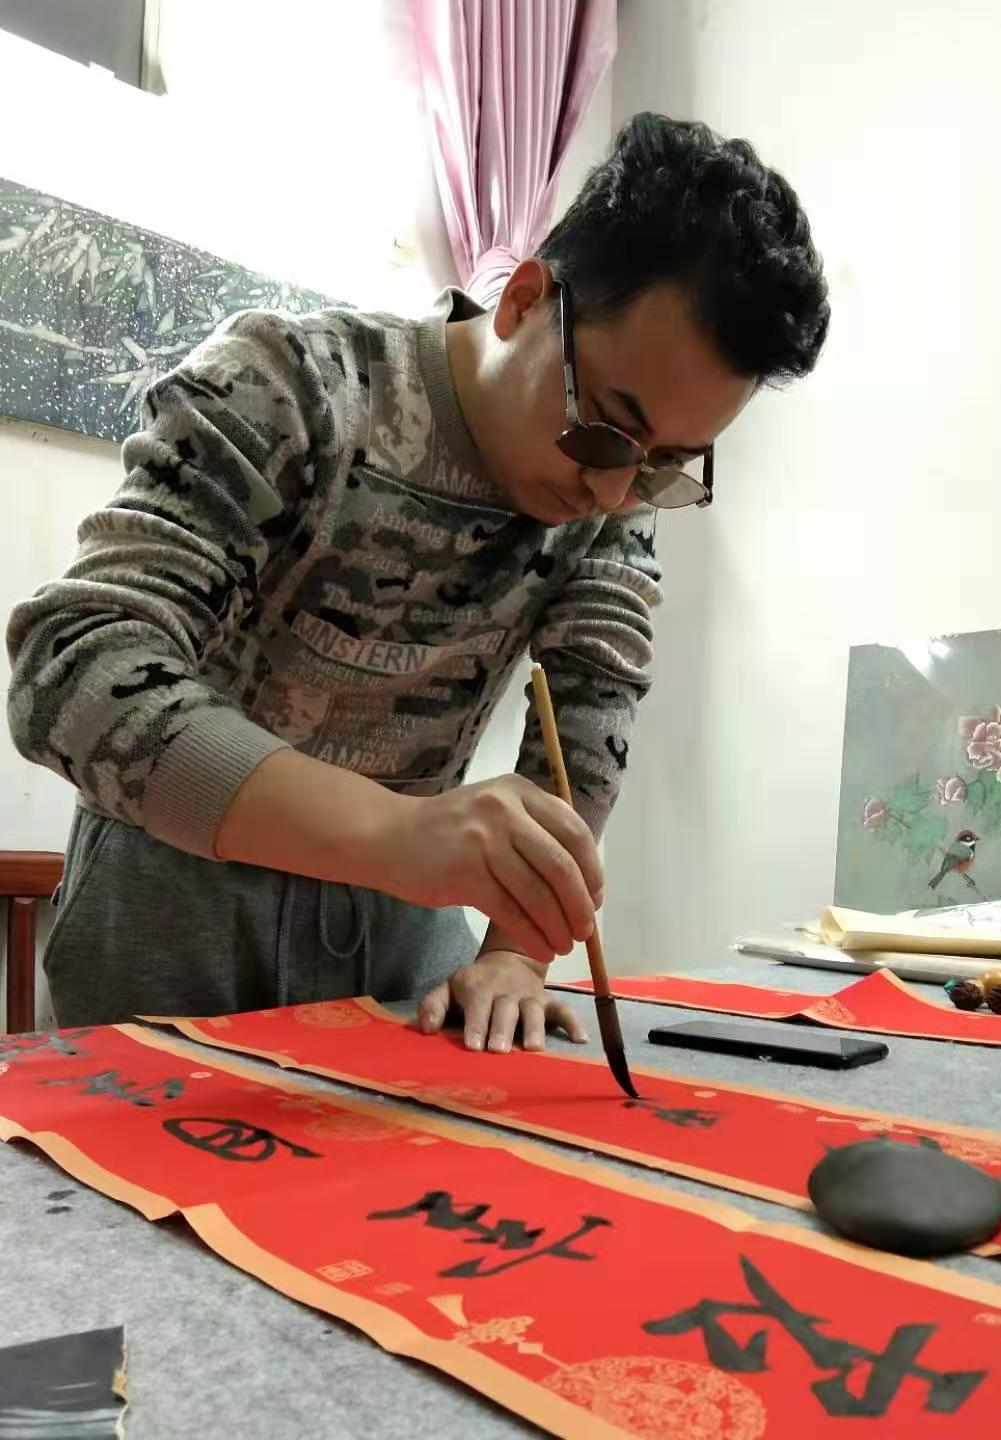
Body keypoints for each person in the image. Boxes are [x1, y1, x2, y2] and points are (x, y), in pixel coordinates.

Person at [6, 112, 829, 1047]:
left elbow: (592, 715)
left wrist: (516, 952)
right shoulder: (293, 386)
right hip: (169, 916)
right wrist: (396, 836)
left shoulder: (615, 492)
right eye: (606, 426)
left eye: (664, 464)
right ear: (525, 301)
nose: (610, 489)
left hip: (400, 933)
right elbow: (72, 669)